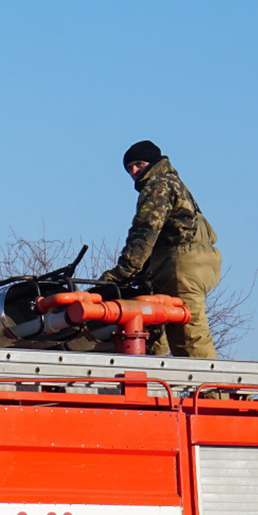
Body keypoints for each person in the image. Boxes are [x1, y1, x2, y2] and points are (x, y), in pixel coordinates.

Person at [99, 140, 223, 359]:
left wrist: (122, 273)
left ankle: (213, 392)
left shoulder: (157, 184)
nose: (134, 171)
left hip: (181, 265)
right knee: (158, 329)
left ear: (153, 163)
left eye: (138, 164)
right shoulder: (176, 184)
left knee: (188, 335)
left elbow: (145, 231)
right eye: (129, 168)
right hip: (191, 264)